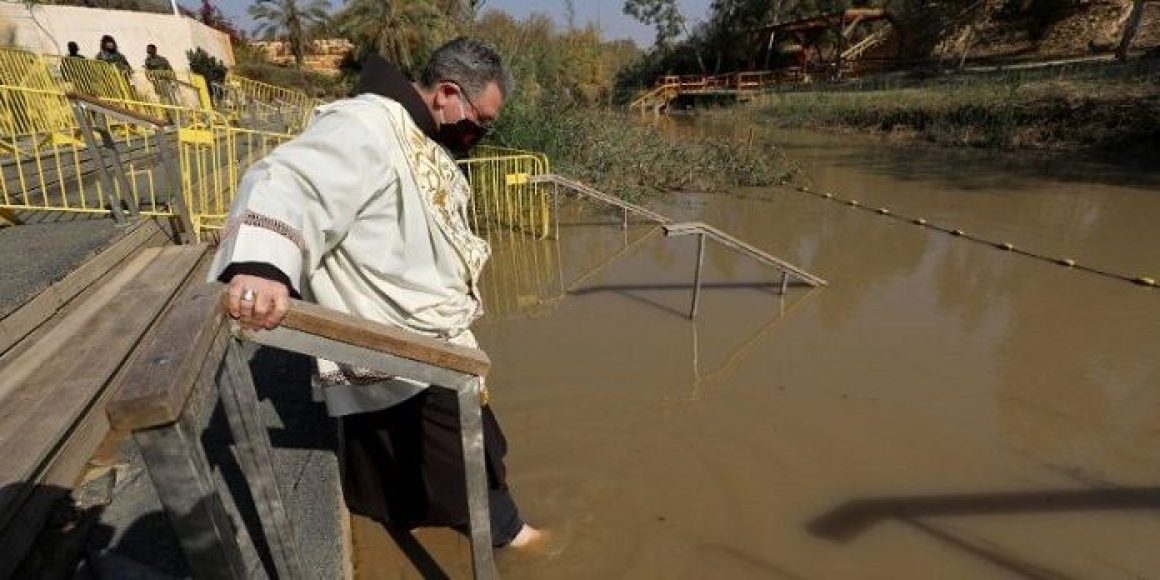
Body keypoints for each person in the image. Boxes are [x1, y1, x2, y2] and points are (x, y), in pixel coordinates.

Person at [212, 38, 544, 549]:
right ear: (447, 94)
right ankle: (525, 544)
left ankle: (454, 530)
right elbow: (290, 179)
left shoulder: (413, 132)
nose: (479, 134)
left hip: (434, 336)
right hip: (403, 344)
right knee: (466, 468)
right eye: (479, 121)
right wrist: (261, 266)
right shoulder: (364, 124)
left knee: (455, 454)